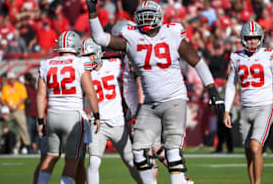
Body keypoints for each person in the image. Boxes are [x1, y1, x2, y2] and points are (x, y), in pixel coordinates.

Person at [85, 0, 224, 183]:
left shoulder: (173, 32)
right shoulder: (132, 37)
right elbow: (99, 38)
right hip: (149, 104)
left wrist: (213, 91)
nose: (147, 20)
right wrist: (92, 11)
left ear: (159, 17)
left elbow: (197, 61)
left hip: (174, 99)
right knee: (139, 152)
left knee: (173, 151)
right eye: (143, 16)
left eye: (150, 16)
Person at [113, 20, 194, 184]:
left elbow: (140, 84)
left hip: (144, 110)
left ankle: (178, 180)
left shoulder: (133, 56)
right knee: (157, 149)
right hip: (147, 107)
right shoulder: (134, 53)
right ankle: (183, 180)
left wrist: (140, 112)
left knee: (145, 155)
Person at [223, 21, 273, 184]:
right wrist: (227, 110)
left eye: (255, 38)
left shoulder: (270, 55)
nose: (252, 41)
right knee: (248, 152)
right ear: (242, 38)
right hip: (245, 108)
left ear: (261, 38)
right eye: (249, 37)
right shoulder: (236, 57)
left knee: (255, 146)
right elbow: (231, 86)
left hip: (264, 107)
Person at [36, 31, 100, 184]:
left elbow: (40, 95)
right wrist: (97, 116)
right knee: (72, 160)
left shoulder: (46, 64)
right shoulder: (79, 63)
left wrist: (40, 121)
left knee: (51, 155)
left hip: (52, 114)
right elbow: (90, 93)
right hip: (73, 116)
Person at [81, 38, 142, 184]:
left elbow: (130, 77)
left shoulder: (114, 65)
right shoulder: (82, 72)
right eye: (84, 56)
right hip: (97, 124)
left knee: (131, 162)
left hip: (117, 121)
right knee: (94, 162)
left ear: (98, 53)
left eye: (89, 55)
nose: (87, 59)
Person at [1, 71, 31, 154]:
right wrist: (9, 106)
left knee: (23, 127)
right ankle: (14, 145)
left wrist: (15, 106)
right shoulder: (5, 87)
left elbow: (23, 98)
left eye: (12, 79)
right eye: (10, 79)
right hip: (9, 110)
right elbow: (2, 100)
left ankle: (27, 144)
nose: (11, 80)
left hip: (19, 109)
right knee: (12, 128)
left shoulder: (20, 86)